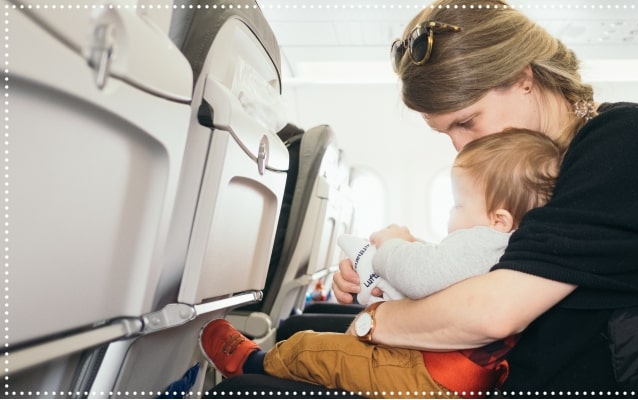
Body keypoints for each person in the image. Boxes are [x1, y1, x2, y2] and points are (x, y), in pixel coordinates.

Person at [210, 0, 638, 395]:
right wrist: (382, 275)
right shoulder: (535, 166)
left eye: (466, 121)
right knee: (296, 339)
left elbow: (494, 312)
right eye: (445, 132)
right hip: (489, 374)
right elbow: (497, 263)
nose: (460, 146)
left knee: (248, 387)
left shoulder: (625, 139)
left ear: (524, 77)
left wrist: (374, 320)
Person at [201, 129, 564, 398]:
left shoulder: (486, 240)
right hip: (445, 376)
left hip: (428, 378)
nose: (451, 217)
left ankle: (251, 363)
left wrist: (392, 245)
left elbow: (423, 276)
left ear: (499, 219)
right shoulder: (511, 246)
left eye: (457, 207)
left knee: (315, 348)